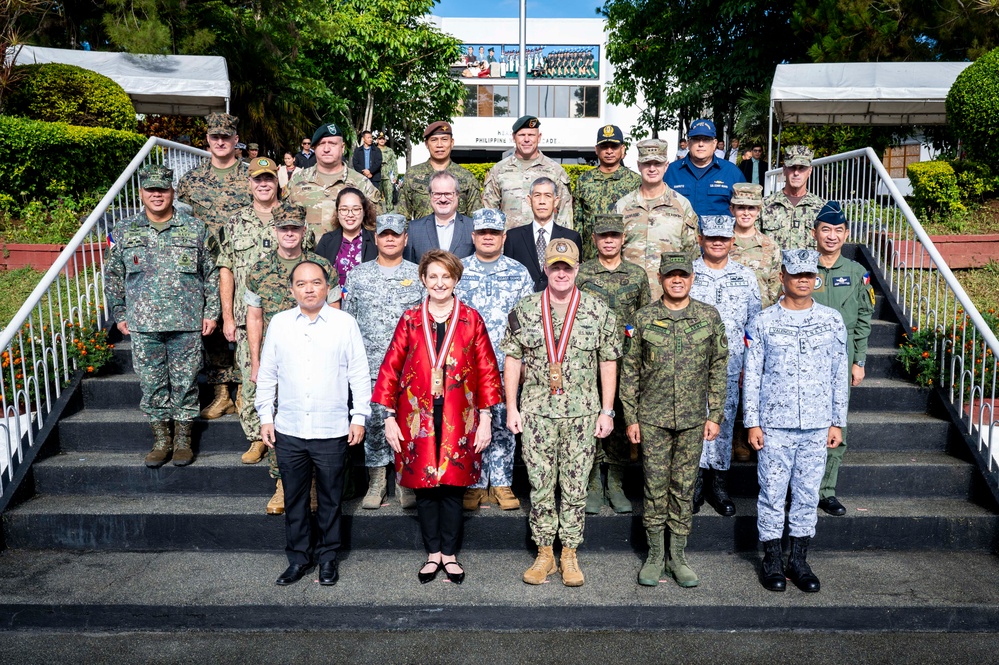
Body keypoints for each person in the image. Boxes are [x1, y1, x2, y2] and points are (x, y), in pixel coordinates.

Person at [372, 250, 502, 585]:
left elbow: (488, 370)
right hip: (416, 414)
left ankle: (451, 554)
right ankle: (433, 553)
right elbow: (391, 367)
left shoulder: (471, 319)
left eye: (446, 277)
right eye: (433, 277)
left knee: (453, 487)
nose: (439, 283)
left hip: (461, 413)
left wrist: (486, 419)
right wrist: (388, 417)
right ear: (424, 280)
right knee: (425, 488)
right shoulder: (411, 319)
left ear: (456, 280)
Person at [500, 239, 620, 587]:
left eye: (568, 267)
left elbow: (608, 361)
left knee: (575, 487)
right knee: (539, 486)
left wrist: (608, 411)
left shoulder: (597, 310)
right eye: (556, 266)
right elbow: (512, 360)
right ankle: (544, 553)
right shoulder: (524, 310)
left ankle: (569, 552)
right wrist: (511, 406)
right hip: (537, 414)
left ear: (578, 269)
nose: (562, 272)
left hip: (582, 415)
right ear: (546, 269)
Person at [256, 261, 371, 587]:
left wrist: (358, 416)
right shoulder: (279, 323)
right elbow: (268, 373)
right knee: (294, 498)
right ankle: (298, 558)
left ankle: (328, 558)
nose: (309, 289)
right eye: (302, 283)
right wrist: (266, 415)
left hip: (331, 429)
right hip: (289, 429)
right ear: (292, 289)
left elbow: (358, 373)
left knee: (331, 499)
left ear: (327, 287)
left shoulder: (343, 323)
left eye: (316, 283)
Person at [743, 249, 849, 593]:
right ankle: (772, 558)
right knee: (772, 494)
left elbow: (838, 374)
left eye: (809, 274)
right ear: (782, 278)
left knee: (806, 495)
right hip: (774, 423)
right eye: (796, 274)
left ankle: (799, 560)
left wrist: (838, 421)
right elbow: (753, 375)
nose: (804, 280)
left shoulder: (831, 320)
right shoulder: (763, 321)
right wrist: (752, 422)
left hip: (817, 423)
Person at [620, 251, 727, 588]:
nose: (677, 280)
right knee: (653, 487)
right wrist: (631, 417)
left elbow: (718, 368)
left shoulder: (708, 317)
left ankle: (677, 555)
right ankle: (654, 555)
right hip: (652, 418)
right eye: (670, 275)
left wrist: (716, 414)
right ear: (661, 279)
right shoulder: (643, 318)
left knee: (683, 488)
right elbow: (630, 371)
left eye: (683, 274)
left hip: (694, 418)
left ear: (692, 278)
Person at [105, 165, 219, 468]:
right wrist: (119, 312)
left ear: (172, 192)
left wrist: (212, 312)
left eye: (163, 190)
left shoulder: (195, 229)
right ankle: (161, 439)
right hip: (144, 324)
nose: (157, 195)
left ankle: (183, 440)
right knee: (152, 383)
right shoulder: (125, 230)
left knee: (185, 382)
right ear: (142, 193)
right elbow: (114, 276)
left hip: (186, 320)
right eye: (151, 190)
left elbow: (211, 274)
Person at [244, 212, 339, 515]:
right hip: (278, 357)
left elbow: (335, 311)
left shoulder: (322, 267)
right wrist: (256, 360)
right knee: (278, 420)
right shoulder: (259, 269)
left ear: (303, 231)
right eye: (284, 228)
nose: (289, 233)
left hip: (316, 356)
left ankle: (312, 486)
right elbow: (255, 317)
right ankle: (283, 483)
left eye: (295, 228)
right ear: (275, 230)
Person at [342, 213, 425, 510]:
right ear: (375, 238)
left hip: (409, 368)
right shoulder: (357, 275)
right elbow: (347, 322)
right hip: (370, 366)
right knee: (375, 423)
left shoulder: (419, 275)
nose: (390, 238)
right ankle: (377, 480)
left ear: (405, 238)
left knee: (407, 423)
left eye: (396, 234)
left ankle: (405, 480)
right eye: (384, 234)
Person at [454, 209, 534, 511]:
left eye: (494, 233)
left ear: (503, 237)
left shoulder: (518, 272)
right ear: (474, 236)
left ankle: (501, 482)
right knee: (470, 422)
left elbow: (527, 319)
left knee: (503, 422)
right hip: (468, 364)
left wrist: (525, 359)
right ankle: (474, 483)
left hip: (506, 363)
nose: (488, 237)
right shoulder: (459, 270)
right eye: (483, 232)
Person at [176, 112, 250, 422]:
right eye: (214, 137)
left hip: (244, 263)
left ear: (235, 140)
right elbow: (178, 219)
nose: (220, 141)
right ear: (208, 140)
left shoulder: (252, 177)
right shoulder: (191, 180)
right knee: (212, 327)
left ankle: (247, 389)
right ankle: (222, 394)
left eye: (226, 137)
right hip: (204, 265)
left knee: (247, 323)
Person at [575, 213, 651, 515]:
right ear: (594, 239)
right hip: (589, 357)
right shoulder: (583, 274)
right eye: (603, 235)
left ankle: (616, 482)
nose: (609, 240)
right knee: (592, 415)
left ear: (623, 239)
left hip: (625, 358)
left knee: (620, 419)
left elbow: (644, 317)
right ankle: (593, 481)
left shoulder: (636, 274)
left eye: (614, 236)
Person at [217, 157, 289, 466]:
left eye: (269, 179)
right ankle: (257, 437)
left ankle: (283, 436)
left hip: (285, 317)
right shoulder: (235, 222)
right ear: (249, 183)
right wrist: (228, 317)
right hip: (248, 320)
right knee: (251, 377)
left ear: (277, 183)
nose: (263, 184)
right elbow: (226, 270)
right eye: (258, 179)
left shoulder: (290, 219)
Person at [688, 215, 762, 516]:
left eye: (723, 238)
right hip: (691, 367)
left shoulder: (745, 276)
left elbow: (753, 326)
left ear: (732, 241)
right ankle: (692, 484)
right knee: (692, 423)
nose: (717, 242)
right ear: (700, 239)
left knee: (724, 422)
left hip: (730, 366)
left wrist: (750, 365)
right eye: (711, 237)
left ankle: (718, 485)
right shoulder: (687, 272)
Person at [810, 201, 875, 517]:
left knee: (836, 424)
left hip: (841, 357)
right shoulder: (803, 267)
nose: (832, 236)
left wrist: (859, 360)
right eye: (826, 230)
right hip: (804, 358)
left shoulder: (857, 272)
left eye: (838, 230)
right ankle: (801, 488)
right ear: (815, 233)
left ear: (846, 234)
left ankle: (826, 491)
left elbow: (864, 317)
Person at [616, 139, 698, 299]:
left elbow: (691, 254)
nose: (652, 168)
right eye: (647, 164)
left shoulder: (681, 205)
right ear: (639, 166)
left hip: (669, 299)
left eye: (657, 163)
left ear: (666, 165)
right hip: (629, 296)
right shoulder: (623, 206)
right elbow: (612, 253)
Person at [287, 122, 383, 242]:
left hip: (348, 257)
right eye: (321, 144)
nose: (326, 149)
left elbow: (376, 226)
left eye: (332, 144)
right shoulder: (297, 181)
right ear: (314, 149)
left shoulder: (361, 184)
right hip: (306, 258)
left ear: (342, 147)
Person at [482, 115, 573, 230]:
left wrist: (561, 242)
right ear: (514, 137)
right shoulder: (498, 170)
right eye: (521, 135)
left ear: (539, 137)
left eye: (531, 135)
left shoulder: (555, 171)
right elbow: (489, 211)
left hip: (544, 243)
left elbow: (565, 212)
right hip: (509, 244)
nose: (526, 139)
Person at [572, 125, 641, 263]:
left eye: (614, 147)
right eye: (604, 147)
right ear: (596, 150)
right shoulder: (584, 181)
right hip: (591, 258)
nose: (609, 151)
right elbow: (577, 223)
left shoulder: (635, 181)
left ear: (622, 149)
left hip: (625, 259)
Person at [503, 177, 583, 291]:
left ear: (556, 201)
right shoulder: (513, 237)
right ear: (529, 200)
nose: (542, 201)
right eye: (537, 195)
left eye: (547, 196)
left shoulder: (571, 237)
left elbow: (575, 275)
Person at [397, 121, 481, 221]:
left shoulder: (466, 177)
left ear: (452, 142)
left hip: (457, 235)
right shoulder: (413, 175)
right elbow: (402, 217)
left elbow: (475, 218)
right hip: (422, 235)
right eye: (434, 140)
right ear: (426, 144)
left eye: (444, 139)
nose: (439, 145)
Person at [664, 118, 746, 217]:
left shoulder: (732, 173)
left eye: (706, 139)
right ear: (689, 143)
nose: (701, 144)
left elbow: (745, 212)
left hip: (720, 232)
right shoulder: (670, 172)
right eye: (696, 139)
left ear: (714, 143)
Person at [759, 145, 826, 249]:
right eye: (792, 168)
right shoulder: (765, 205)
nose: (796, 173)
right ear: (784, 170)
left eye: (802, 168)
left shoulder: (822, 207)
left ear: (810, 171)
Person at [729, 183, 782, 309]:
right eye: (741, 207)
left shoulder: (770, 246)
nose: (746, 213)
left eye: (751, 208)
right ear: (732, 210)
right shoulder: (721, 244)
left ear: (759, 210)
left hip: (760, 317)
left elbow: (775, 289)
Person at [404, 171, 475, 263]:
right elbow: (409, 267)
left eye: (448, 194)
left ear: (457, 195)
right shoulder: (415, 229)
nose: (443, 199)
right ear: (430, 195)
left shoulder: (472, 226)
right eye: (437, 194)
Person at [314, 187, 378, 288]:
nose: (350, 215)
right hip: (334, 301)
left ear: (364, 211)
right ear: (337, 213)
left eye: (356, 209)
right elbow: (317, 276)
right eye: (344, 209)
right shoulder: (327, 240)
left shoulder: (375, 240)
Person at [376, 132, 398, 213]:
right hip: (377, 175)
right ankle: (379, 213)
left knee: (389, 196)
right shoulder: (374, 150)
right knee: (377, 196)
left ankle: (390, 213)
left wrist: (395, 176)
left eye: (383, 139)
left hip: (388, 175)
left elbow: (394, 163)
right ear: (377, 140)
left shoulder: (390, 150)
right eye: (380, 139)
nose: (381, 140)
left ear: (385, 140)